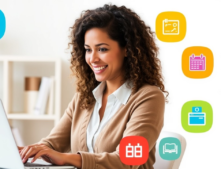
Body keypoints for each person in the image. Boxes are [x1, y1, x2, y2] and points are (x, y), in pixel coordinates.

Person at [18, 3, 168, 169]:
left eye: (102, 49)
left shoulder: (148, 97)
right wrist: (27, 151)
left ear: (127, 49)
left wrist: (67, 158)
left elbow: (127, 160)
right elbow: (52, 144)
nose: (92, 59)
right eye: (88, 50)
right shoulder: (85, 96)